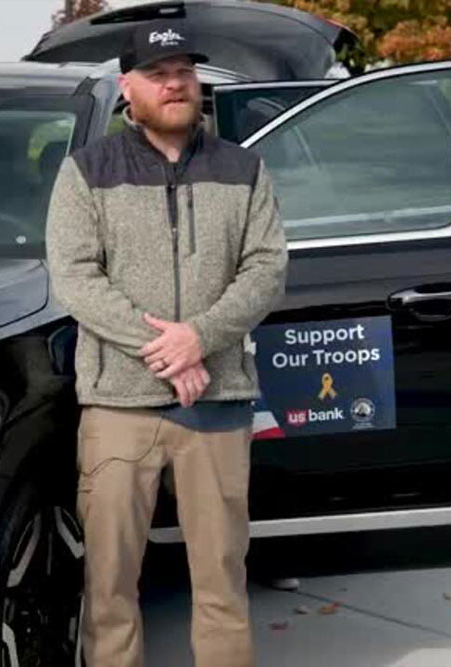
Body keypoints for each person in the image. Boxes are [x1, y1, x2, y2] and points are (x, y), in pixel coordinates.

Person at [45, 19, 288, 667]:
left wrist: (199, 339)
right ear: (128, 87)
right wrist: (163, 350)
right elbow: (74, 277)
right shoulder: (86, 172)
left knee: (222, 584)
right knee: (109, 585)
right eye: (158, 74)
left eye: (184, 71)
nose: (175, 84)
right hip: (119, 408)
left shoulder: (243, 169)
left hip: (217, 404)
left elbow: (266, 268)